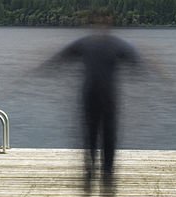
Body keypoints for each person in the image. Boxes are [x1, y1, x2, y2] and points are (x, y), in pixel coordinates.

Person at [44, 11, 142, 187]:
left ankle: (104, 171)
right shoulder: (105, 44)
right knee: (96, 135)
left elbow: (58, 59)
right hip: (99, 98)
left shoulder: (96, 44)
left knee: (102, 135)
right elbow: (136, 62)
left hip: (99, 98)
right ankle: (97, 171)